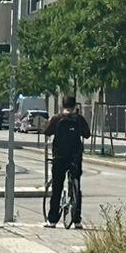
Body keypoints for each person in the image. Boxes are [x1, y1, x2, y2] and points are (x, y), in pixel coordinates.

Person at [43, 97, 90, 229]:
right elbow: (87, 134)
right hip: (75, 157)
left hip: (59, 157)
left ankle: (52, 220)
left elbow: (46, 131)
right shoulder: (79, 119)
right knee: (76, 186)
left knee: (57, 187)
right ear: (75, 105)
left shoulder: (56, 118)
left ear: (61, 105)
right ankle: (77, 220)